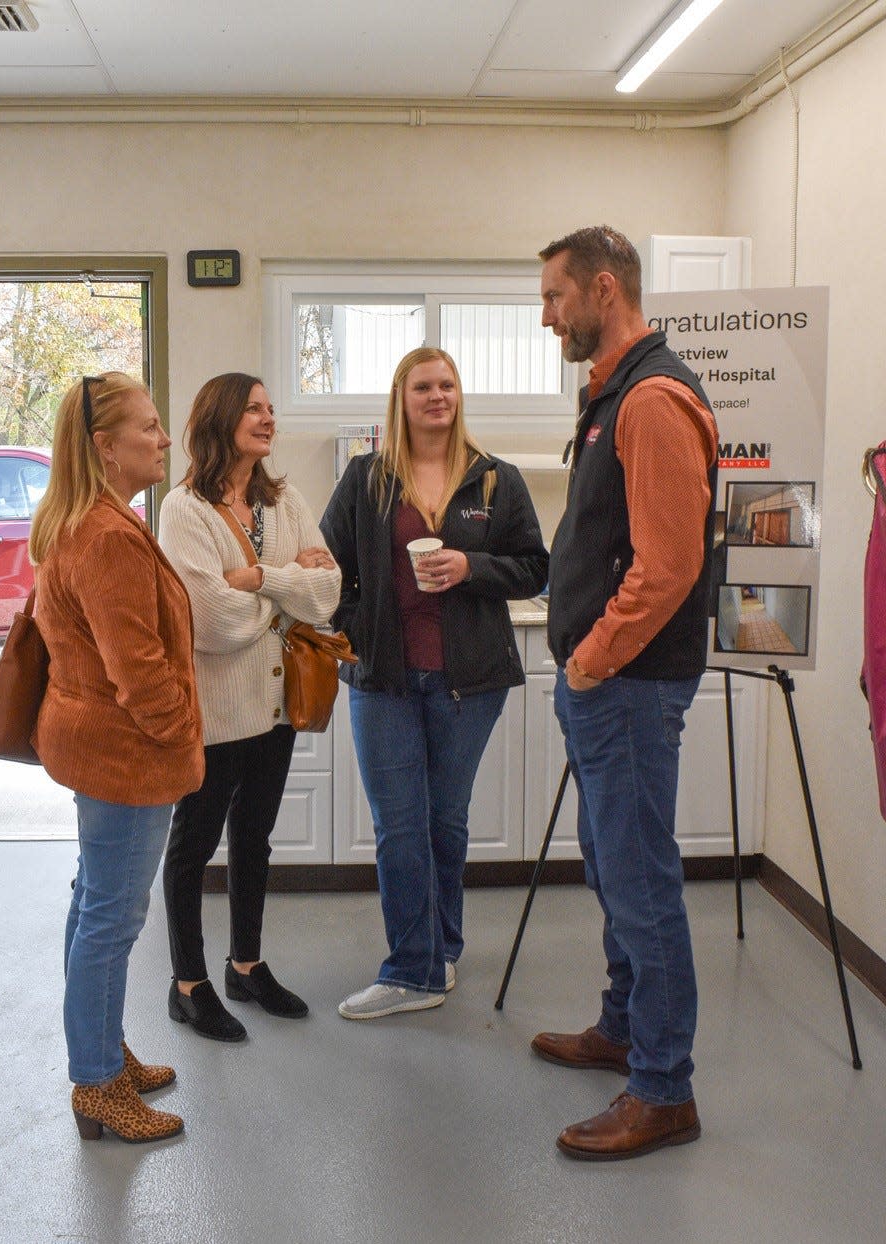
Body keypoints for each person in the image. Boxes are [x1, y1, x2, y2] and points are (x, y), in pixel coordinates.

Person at [533, 225, 718, 1160]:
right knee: (611, 862)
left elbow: (669, 565)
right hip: (605, 685)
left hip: (631, 686)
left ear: (605, 289)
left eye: (556, 297)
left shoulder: (651, 399)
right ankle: (622, 1029)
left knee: (640, 879)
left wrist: (594, 656)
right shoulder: (610, 393)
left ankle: (663, 1088)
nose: (546, 314)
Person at [321, 347, 548, 1020]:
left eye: (447, 384)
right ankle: (412, 969)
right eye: (423, 386)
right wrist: (353, 625)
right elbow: (329, 568)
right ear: (402, 396)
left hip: (470, 680)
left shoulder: (493, 481)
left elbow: (536, 568)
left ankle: (439, 948)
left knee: (445, 822)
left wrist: (470, 567)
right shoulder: (366, 478)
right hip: (383, 678)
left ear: (459, 394)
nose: (437, 395)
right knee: (400, 825)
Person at [30, 372, 204, 1144]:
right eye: (151, 427)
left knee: (92, 902)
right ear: (106, 446)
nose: (164, 440)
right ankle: (97, 1083)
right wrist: (179, 737)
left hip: (93, 747)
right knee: (110, 917)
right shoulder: (104, 536)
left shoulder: (84, 520)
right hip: (126, 758)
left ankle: (101, 1052)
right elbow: (139, 674)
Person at [158, 372, 340, 1041]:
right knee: (193, 845)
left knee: (254, 839)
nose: (269, 417)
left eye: (272, 408)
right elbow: (211, 621)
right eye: (255, 408)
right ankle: (189, 983)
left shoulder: (282, 499)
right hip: (216, 708)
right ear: (222, 417)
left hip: (275, 707)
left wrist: (263, 578)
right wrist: (289, 593)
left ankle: (245, 965)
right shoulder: (184, 510)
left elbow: (328, 593)